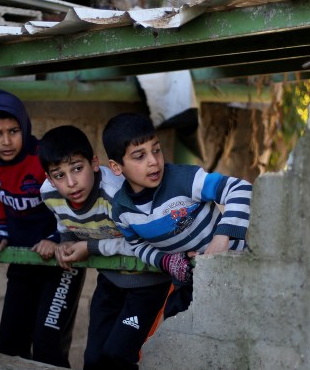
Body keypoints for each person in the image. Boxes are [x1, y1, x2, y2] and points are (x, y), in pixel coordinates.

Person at [38, 125, 172, 370]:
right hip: (110, 282)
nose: (71, 182)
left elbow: (143, 243)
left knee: (118, 355)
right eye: (59, 175)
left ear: (95, 163)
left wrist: (89, 248)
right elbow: (66, 224)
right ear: (49, 178)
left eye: (77, 168)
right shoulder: (49, 193)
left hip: (147, 285)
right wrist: (64, 243)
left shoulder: (118, 194)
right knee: (94, 360)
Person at [102, 113, 253, 319]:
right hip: (191, 285)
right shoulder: (122, 212)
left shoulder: (185, 179)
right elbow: (137, 246)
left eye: (156, 150)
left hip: (239, 271)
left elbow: (240, 188)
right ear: (116, 167)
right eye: (140, 156)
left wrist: (221, 238)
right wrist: (167, 261)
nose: (154, 161)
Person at [0, 89, 84, 367]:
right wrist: (2, 233)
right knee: (9, 345)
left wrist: (56, 237)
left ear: (25, 126)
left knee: (48, 347)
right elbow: (6, 205)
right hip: (24, 260)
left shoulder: (43, 159)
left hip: (62, 261)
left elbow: (76, 201)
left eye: (13, 130)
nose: (6, 141)